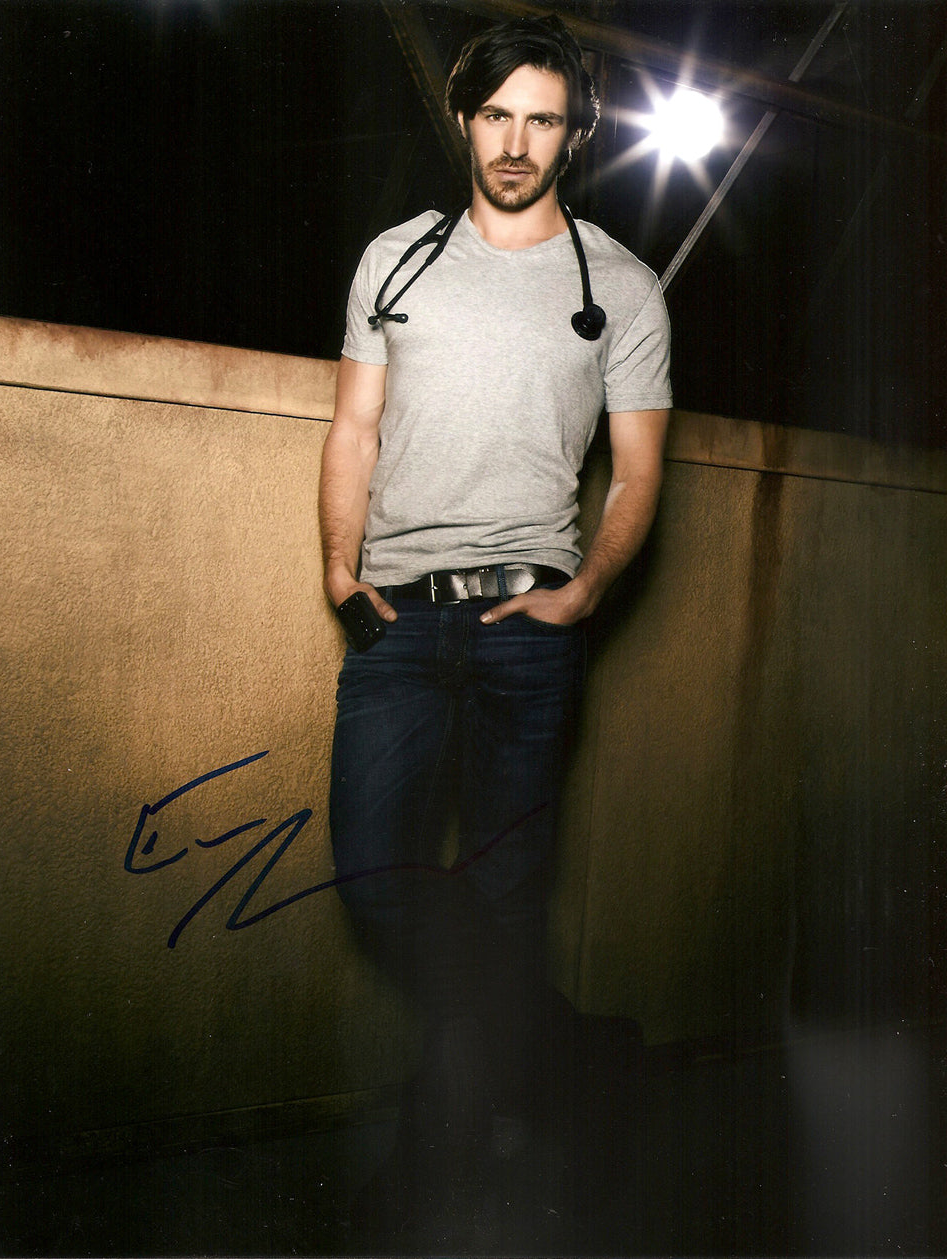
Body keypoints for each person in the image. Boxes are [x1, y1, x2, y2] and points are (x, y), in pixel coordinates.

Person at [318, 13, 671, 1245]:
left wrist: (586, 592)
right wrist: (338, 565)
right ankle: (580, 1054)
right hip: (398, 623)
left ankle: (433, 1165)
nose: (516, 144)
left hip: (531, 629)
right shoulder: (395, 260)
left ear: (574, 135)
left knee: (505, 896)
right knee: (375, 874)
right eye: (496, 116)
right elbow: (355, 427)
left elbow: (637, 474)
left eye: (543, 119)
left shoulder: (619, 286)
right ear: (464, 120)